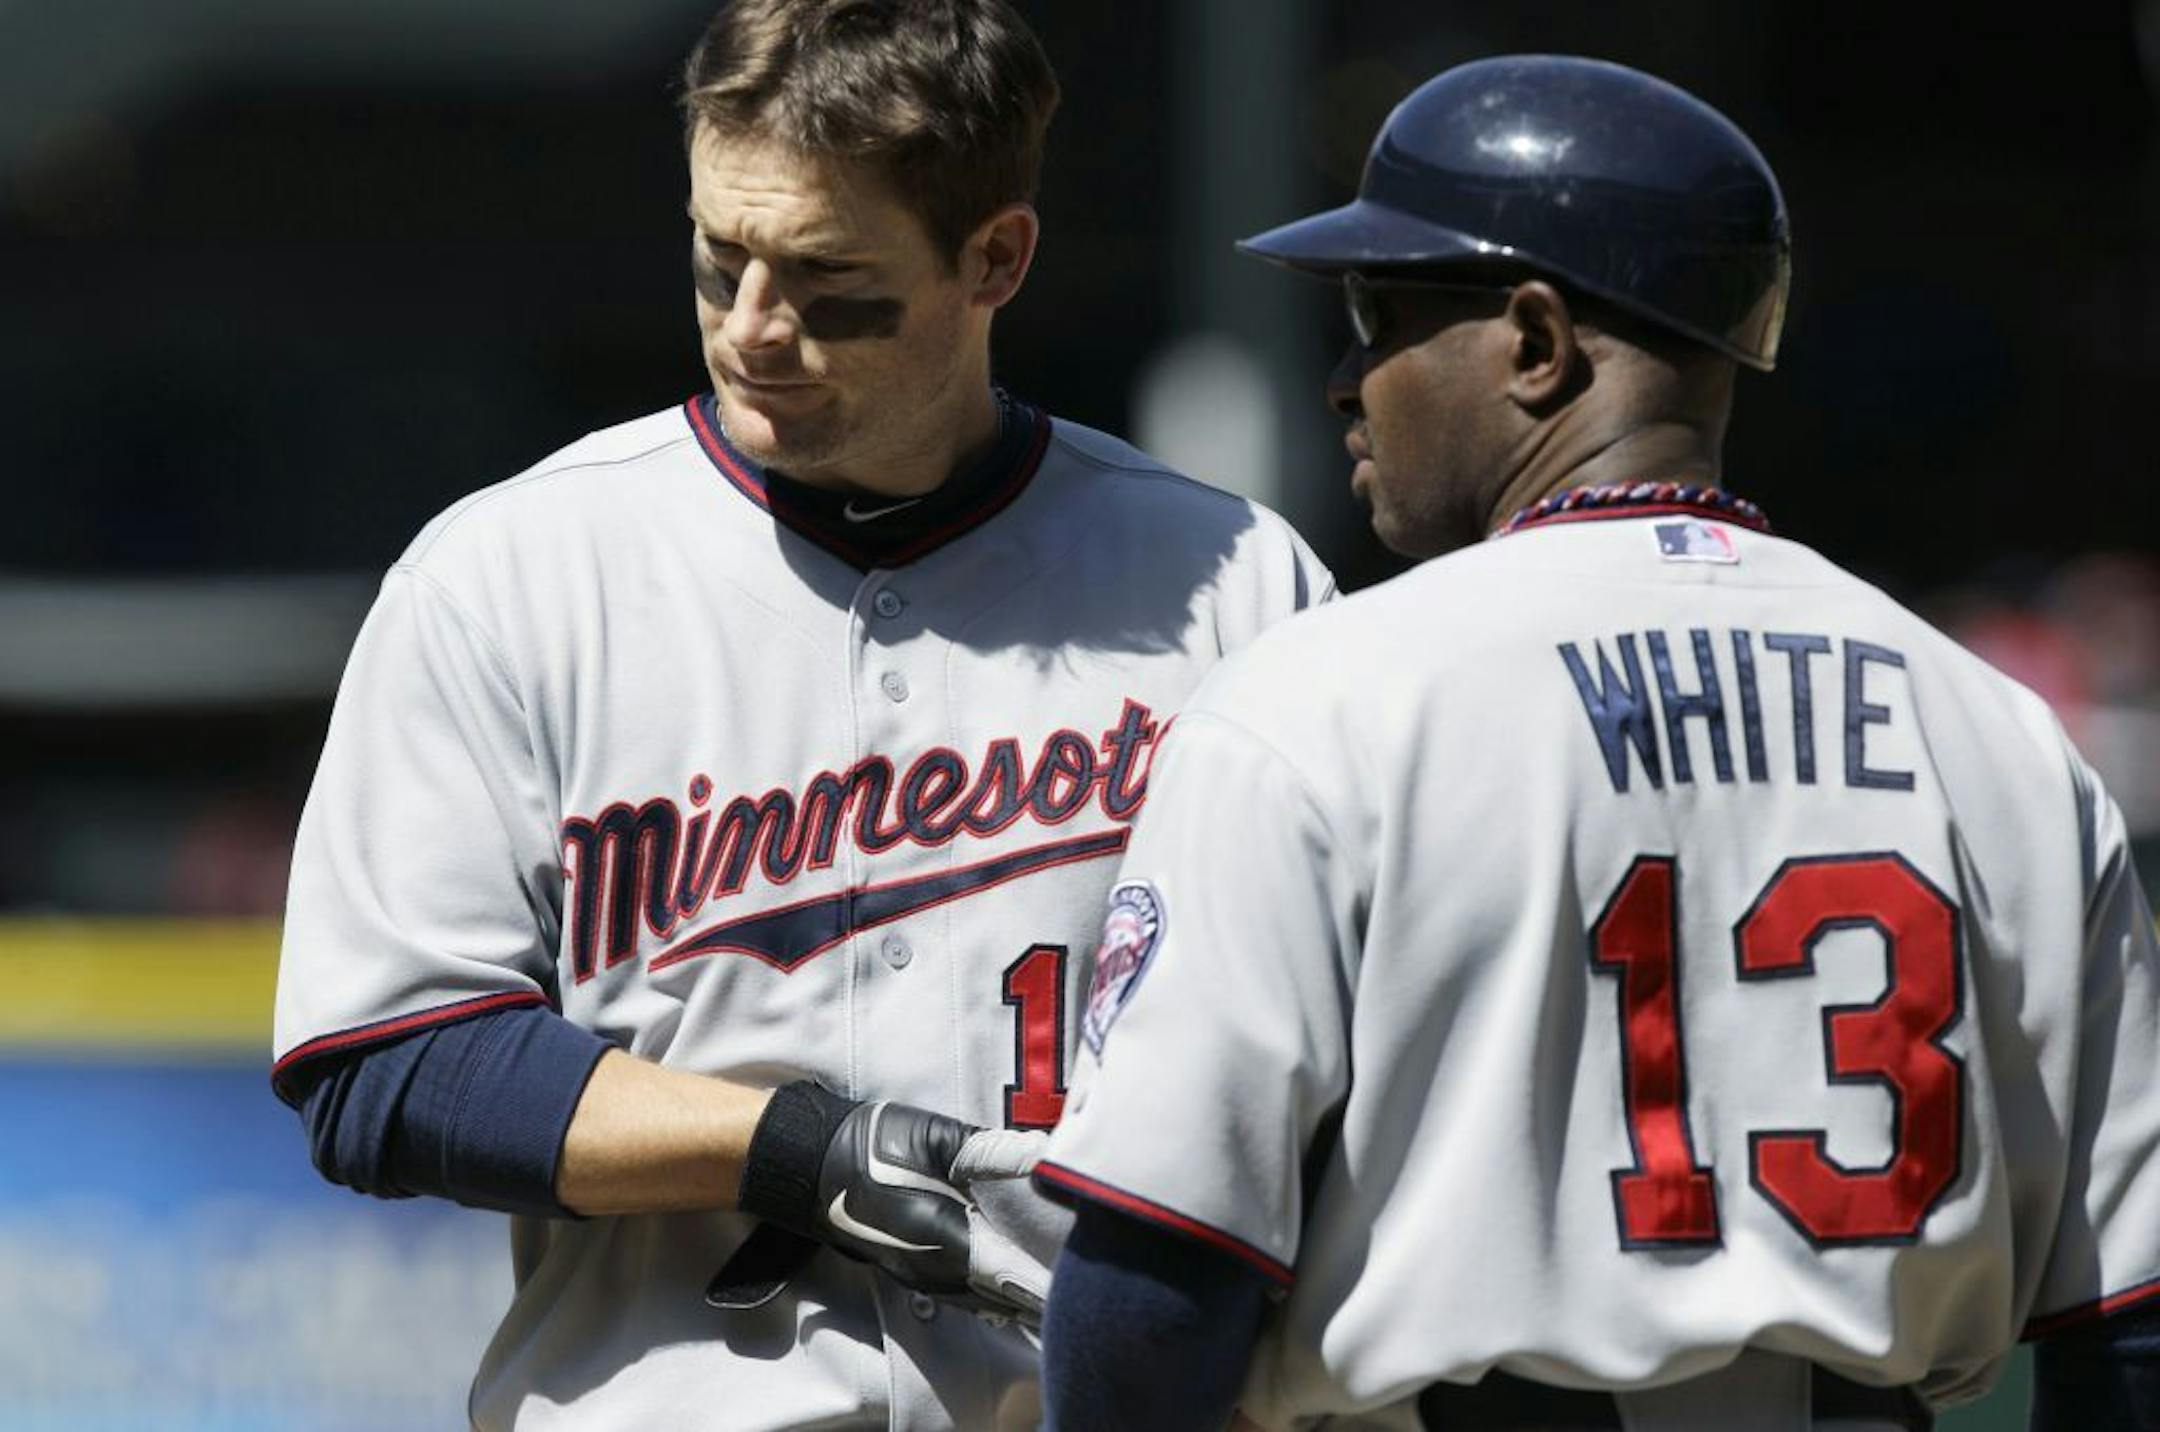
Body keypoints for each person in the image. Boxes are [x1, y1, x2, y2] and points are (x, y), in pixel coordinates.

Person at [1032, 54, 2160, 1432]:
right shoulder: (1994, 732)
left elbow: (1157, 1281)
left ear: (1534, 342)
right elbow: (2125, 1331)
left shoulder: (1323, 702)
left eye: (1379, 315)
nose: (1346, 379)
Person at [269, 2, 1332, 1427]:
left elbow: (1346, 1071)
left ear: (994, 260)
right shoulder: (514, 574)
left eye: (832, 286)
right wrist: (793, 1146)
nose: (755, 328)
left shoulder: (1230, 587)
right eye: (721, 262)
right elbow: (386, 1064)